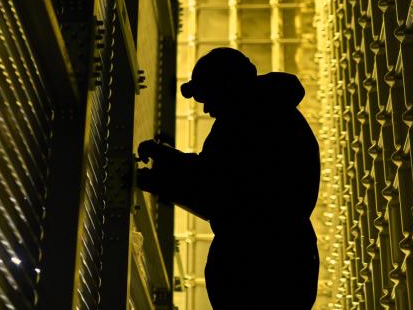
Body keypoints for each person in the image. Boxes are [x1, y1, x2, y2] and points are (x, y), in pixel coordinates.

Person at [137, 47, 320, 309]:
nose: (208, 109)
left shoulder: (251, 120)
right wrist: (164, 169)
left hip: (265, 268)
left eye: (208, 97)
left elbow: (218, 188)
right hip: (282, 264)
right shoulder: (266, 112)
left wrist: (162, 169)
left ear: (228, 86)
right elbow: (223, 186)